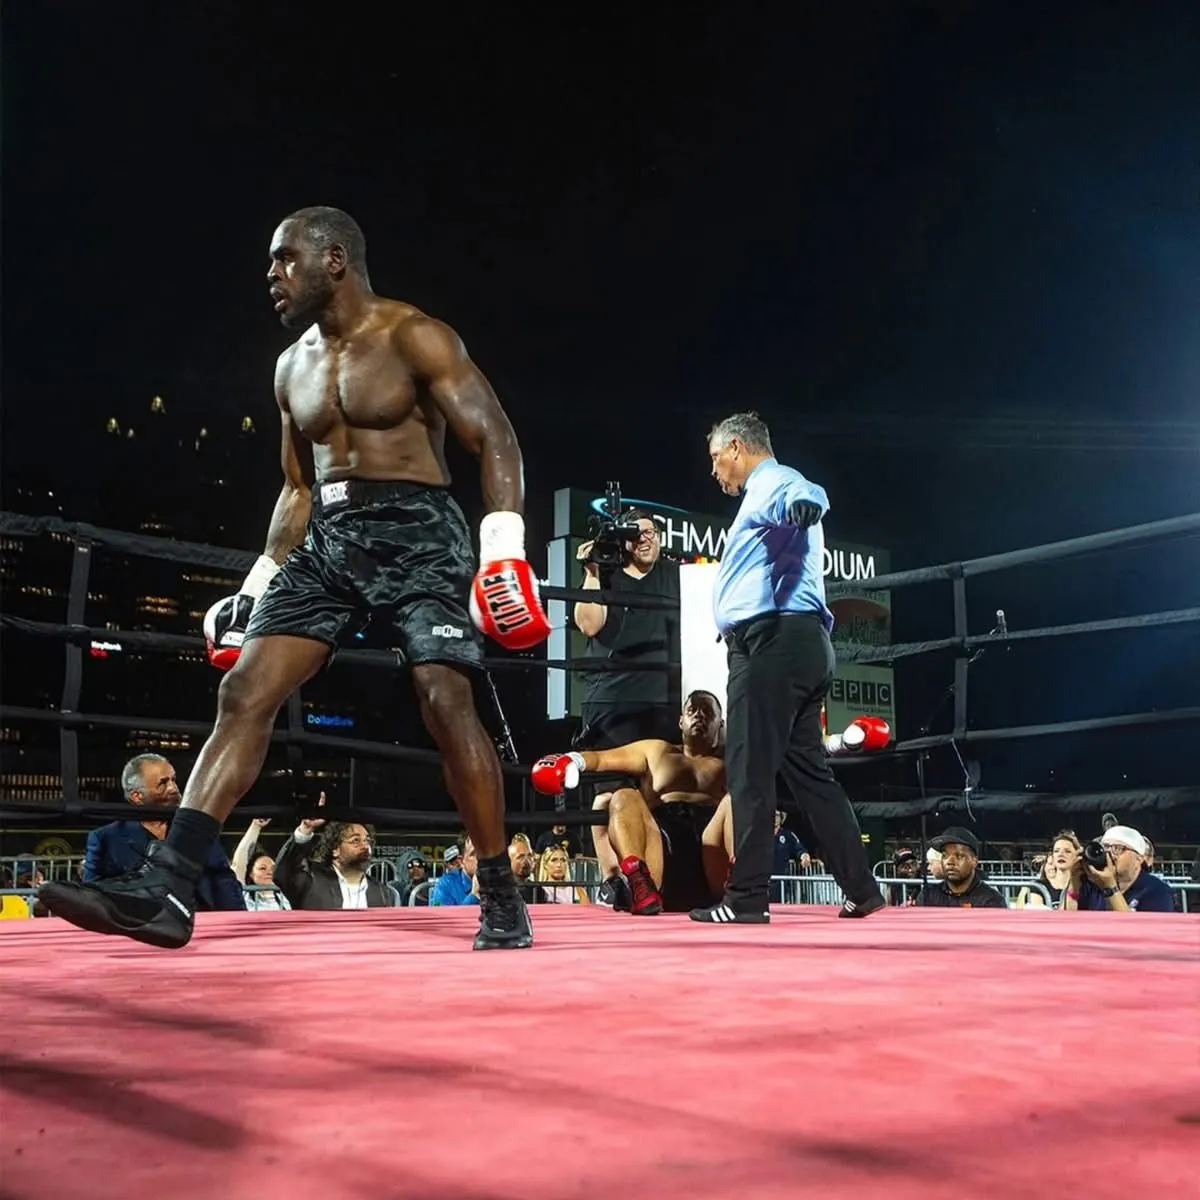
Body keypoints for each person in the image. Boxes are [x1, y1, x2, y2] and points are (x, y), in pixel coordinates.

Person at [39, 206, 549, 952]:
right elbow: (297, 490)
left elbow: (493, 433)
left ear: (333, 258)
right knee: (242, 689)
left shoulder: (416, 335)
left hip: (418, 532)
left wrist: (503, 544)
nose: (271, 277)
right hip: (330, 540)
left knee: (446, 699)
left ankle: (501, 892)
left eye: (284, 260)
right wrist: (257, 581)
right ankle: (167, 889)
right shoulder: (290, 368)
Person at [691, 411, 884, 924]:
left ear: (736, 447)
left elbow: (807, 493)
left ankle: (747, 898)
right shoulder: (763, 491)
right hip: (801, 645)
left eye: (715, 459)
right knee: (810, 776)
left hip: (772, 642)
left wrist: (801, 506)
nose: (715, 472)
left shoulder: (772, 481)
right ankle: (863, 890)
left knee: (750, 771)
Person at [531, 690, 732, 914]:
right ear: (681, 721)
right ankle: (639, 884)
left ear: (721, 723)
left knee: (738, 801)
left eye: (707, 711)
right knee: (622, 796)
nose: (698, 716)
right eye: (692, 710)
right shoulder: (656, 751)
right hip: (661, 845)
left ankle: (742, 888)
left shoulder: (733, 759)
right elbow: (602, 758)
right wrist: (571, 760)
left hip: (713, 851)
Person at [83, 754, 244, 912]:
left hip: (202, 921)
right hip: (141, 926)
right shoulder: (107, 838)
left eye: (173, 780)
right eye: (163, 783)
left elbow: (223, 879)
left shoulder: (196, 828)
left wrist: (238, 921)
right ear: (137, 797)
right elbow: (93, 896)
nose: (173, 788)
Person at [573, 512, 680, 747]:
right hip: (612, 703)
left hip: (662, 704)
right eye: (634, 534)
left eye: (649, 532)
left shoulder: (677, 576)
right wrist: (592, 571)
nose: (643, 540)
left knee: (662, 782)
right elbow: (589, 625)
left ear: (659, 537)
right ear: (624, 542)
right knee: (613, 782)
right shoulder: (606, 575)